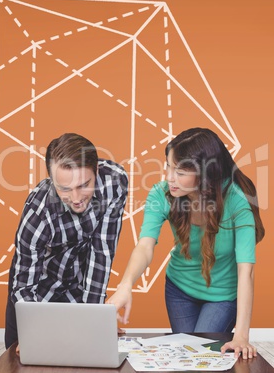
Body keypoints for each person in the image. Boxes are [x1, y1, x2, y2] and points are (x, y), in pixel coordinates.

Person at [107, 127, 265, 360]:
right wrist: (126, 284)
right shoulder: (161, 194)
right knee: (185, 358)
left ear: (206, 174)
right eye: (168, 166)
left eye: (180, 171)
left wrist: (241, 335)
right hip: (179, 290)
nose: (170, 177)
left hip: (223, 295)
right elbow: (145, 246)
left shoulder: (237, 201)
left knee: (202, 354)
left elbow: (246, 270)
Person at [5, 132, 128, 349]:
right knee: (23, 363)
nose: (77, 198)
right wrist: (32, 333)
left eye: (83, 185)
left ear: (96, 170)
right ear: (52, 181)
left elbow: (102, 253)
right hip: (36, 293)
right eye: (65, 189)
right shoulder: (38, 215)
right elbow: (24, 286)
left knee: (86, 356)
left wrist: (94, 319)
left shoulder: (114, 182)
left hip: (78, 287)